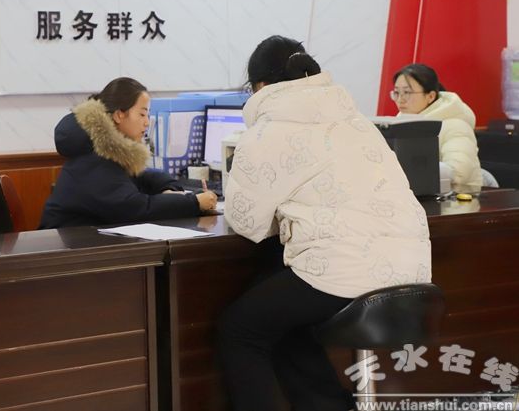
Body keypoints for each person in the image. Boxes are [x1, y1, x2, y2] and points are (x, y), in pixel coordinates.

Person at [218, 36, 431, 411]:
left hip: (346, 273)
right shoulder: (358, 121)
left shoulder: (266, 132)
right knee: (282, 319)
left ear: (260, 86)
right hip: (414, 271)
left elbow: (246, 223)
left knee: (240, 330)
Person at [38, 77, 217, 229]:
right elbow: (135, 208)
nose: (147, 122)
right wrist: (194, 203)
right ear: (119, 115)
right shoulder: (94, 159)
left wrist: (168, 188)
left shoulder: (102, 149)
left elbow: (140, 177)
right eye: (142, 114)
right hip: (61, 253)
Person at [392, 63, 482, 192]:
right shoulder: (399, 125)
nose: (400, 100)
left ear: (430, 96)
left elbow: (458, 173)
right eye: (396, 92)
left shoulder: (455, 126)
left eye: (407, 92)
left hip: (457, 198)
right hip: (415, 195)